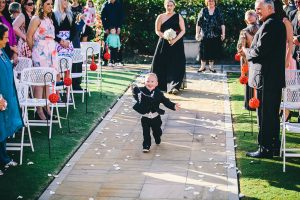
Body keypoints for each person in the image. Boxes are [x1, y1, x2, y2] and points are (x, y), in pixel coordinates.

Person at [241, 0, 286, 158]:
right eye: (255, 9)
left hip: (267, 78)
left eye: (259, 9)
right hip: (271, 78)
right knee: (272, 114)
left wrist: (247, 52)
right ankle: (273, 146)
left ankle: (265, 148)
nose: (257, 12)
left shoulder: (270, 24)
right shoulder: (275, 23)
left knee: (266, 115)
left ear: (269, 8)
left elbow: (260, 50)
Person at [131, 73, 180, 152]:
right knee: (146, 133)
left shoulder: (159, 94)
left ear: (156, 83)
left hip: (155, 117)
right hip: (145, 117)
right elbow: (136, 96)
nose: (150, 83)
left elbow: (166, 101)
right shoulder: (141, 91)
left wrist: (173, 106)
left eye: (152, 81)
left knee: (156, 131)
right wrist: (134, 90)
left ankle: (158, 137)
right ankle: (146, 145)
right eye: (148, 81)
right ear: (144, 82)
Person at [27, 0, 57, 120]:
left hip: (51, 52)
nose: (50, 6)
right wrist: (35, 50)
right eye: (48, 4)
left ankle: (47, 108)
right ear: (42, 5)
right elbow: (28, 36)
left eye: (51, 4)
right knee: (39, 82)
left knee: (47, 81)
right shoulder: (36, 19)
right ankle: (38, 111)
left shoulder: (49, 19)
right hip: (40, 52)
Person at [0, 23, 23, 170]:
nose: (8, 40)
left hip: (7, 97)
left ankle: (4, 158)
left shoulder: (2, 52)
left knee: (3, 129)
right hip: (1, 97)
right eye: (5, 37)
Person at [151, 0, 186, 94]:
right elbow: (157, 30)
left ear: (174, 6)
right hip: (163, 43)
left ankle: (174, 86)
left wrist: (175, 39)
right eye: (167, 5)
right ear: (165, 6)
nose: (169, 7)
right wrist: (165, 36)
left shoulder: (178, 16)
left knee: (176, 64)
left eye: (171, 5)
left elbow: (183, 30)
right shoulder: (160, 16)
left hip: (177, 43)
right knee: (161, 62)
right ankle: (159, 84)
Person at [237, 10, 259, 111]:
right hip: (259, 59)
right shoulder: (261, 29)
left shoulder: (244, 31)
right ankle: (257, 103)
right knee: (257, 81)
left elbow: (240, 48)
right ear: (256, 17)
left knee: (248, 81)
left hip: (246, 60)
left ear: (246, 20)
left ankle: (249, 105)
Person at [195, 0, 225, 73]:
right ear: (207, 2)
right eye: (209, 1)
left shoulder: (218, 10)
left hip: (215, 35)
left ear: (215, 2)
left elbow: (222, 23)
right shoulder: (203, 10)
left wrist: (223, 34)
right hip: (204, 35)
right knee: (203, 51)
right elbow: (198, 23)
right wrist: (197, 33)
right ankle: (202, 67)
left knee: (213, 50)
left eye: (212, 1)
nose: (211, 2)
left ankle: (211, 67)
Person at [100, 0, 124, 65]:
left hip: (116, 27)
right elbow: (102, 17)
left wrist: (119, 27)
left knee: (118, 43)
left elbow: (121, 16)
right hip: (108, 27)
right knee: (106, 44)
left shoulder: (119, 4)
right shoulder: (105, 5)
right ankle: (105, 60)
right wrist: (105, 28)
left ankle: (119, 60)